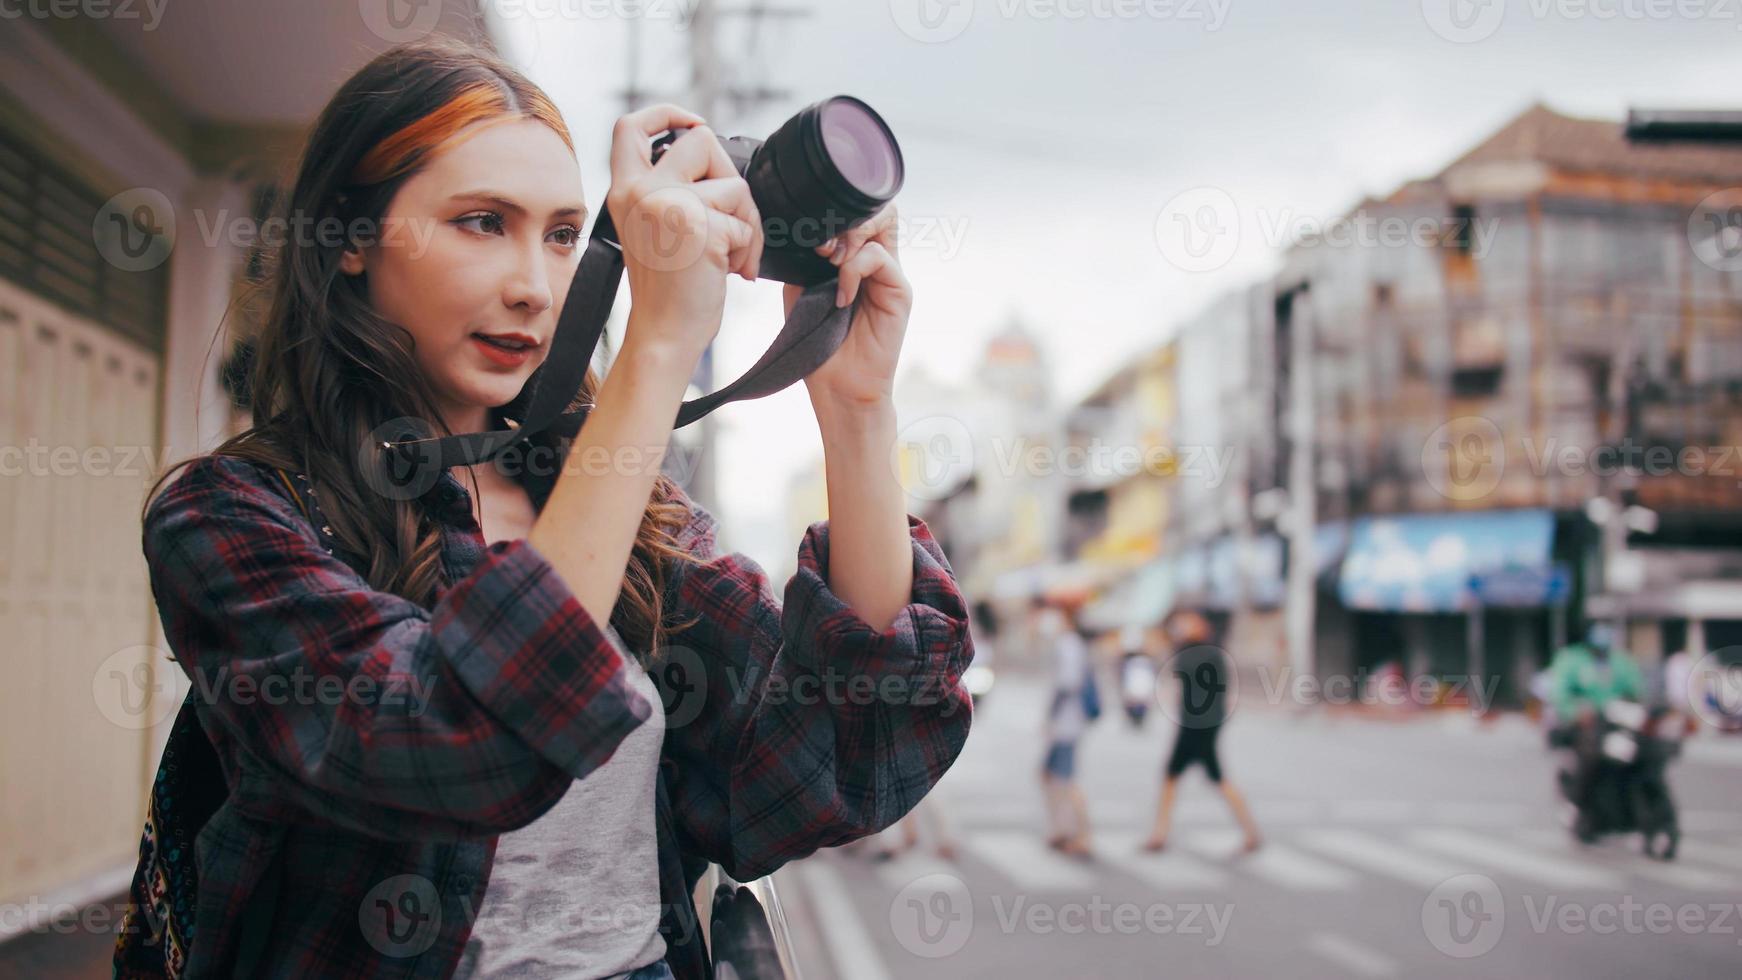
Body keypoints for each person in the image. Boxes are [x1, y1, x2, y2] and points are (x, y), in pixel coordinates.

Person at [113, 38, 975, 980]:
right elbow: (454, 744)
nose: (533, 285)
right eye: (483, 222)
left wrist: (855, 413)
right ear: (351, 238)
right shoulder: (234, 516)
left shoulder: (625, 513)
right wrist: (655, 349)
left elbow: (843, 755)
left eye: (565, 234)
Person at [1143, 609, 1262, 854]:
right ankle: (1249, 831)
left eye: (1186, 623)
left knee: (1183, 778)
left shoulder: (1193, 654)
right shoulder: (1212, 654)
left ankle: (1160, 834)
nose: (1182, 627)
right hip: (1206, 725)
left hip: (1195, 727)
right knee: (1206, 779)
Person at [1549, 623, 1644, 833]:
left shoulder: (1621, 662)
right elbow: (1560, 693)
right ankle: (1575, 803)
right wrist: (1577, 712)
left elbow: (1636, 690)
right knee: (1588, 758)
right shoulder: (1572, 660)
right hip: (1583, 725)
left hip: (1617, 723)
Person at [1038, 600, 1097, 857]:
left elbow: (1067, 683)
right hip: (1068, 720)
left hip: (1067, 722)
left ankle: (1083, 835)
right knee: (1048, 774)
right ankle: (1060, 829)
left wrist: (1050, 717)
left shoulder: (1068, 644)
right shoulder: (1072, 643)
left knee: (1066, 778)